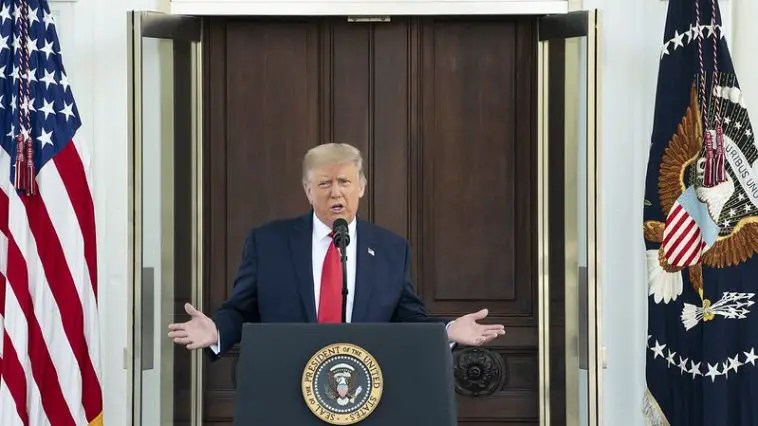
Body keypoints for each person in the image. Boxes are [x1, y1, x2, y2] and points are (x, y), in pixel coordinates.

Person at [168, 143, 505, 356]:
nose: (336, 193)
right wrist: (217, 330)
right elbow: (241, 310)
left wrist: (447, 331)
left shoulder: (391, 249)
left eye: (344, 182)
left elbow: (407, 320)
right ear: (308, 190)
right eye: (324, 184)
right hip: (285, 383)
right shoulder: (268, 243)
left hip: (366, 388)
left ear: (361, 187)